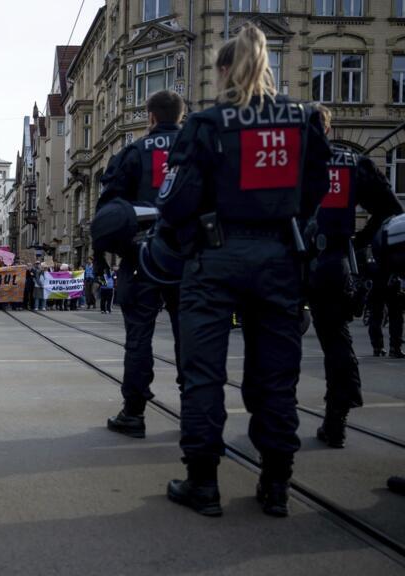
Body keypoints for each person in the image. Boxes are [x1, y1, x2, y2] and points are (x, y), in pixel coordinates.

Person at [157, 24, 331, 518]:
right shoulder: (301, 121)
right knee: (276, 375)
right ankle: (276, 482)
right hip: (279, 257)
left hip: (215, 257)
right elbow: (315, 187)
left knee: (204, 373)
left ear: (225, 70)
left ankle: (203, 483)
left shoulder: (208, 124)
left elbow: (176, 200)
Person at [310, 105, 403, 448]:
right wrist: (362, 244)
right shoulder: (351, 163)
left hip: (288, 265)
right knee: (337, 342)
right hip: (333, 263)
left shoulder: (286, 163)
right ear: (329, 131)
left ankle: (275, 423)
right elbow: (391, 210)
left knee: (276, 344)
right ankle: (337, 421)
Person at [97, 90, 186, 439]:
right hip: (186, 257)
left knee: (138, 339)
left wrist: (105, 252)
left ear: (150, 117)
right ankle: (195, 411)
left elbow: (108, 210)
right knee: (190, 339)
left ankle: (133, 413)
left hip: (141, 257)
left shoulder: (132, 153)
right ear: (182, 116)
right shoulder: (197, 151)